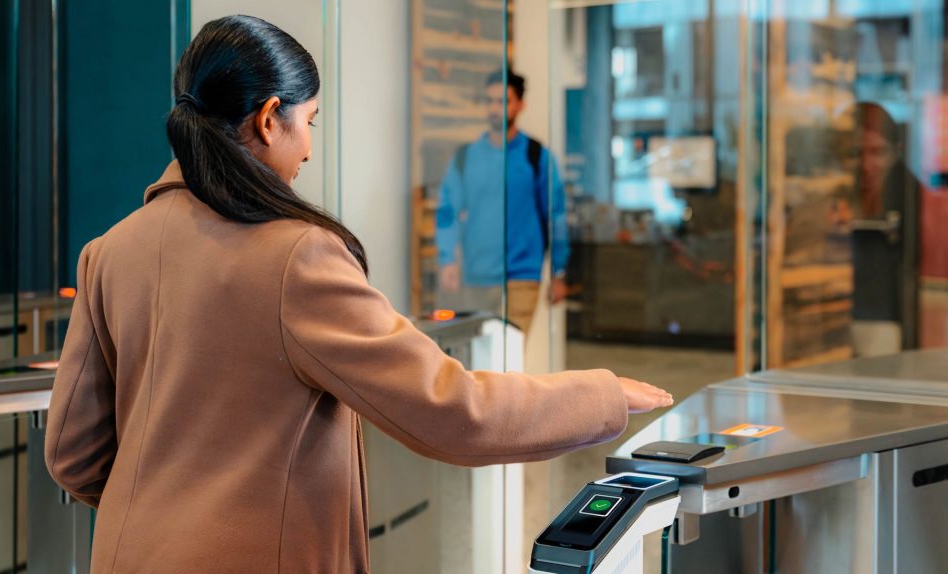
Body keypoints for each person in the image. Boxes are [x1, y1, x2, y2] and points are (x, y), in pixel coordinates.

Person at [44, 16, 672, 574]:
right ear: (269, 119)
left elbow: (73, 454)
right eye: (308, 122)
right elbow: (453, 412)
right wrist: (602, 394)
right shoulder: (294, 256)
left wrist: (166, 506)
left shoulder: (109, 252)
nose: (309, 148)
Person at [435, 68, 569, 333]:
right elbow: (447, 210)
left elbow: (556, 216)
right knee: (480, 361)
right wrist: (448, 258)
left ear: (520, 105)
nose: (495, 109)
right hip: (476, 276)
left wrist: (558, 272)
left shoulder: (537, 157)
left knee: (511, 359)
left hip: (522, 276)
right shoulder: (466, 157)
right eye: (490, 101)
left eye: (503, 101)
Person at [847, 102, 920, 356]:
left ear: (897, 152)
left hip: (884, 320)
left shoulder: (911, 197)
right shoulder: (829, 194)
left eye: (877, 152)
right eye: (856, 153)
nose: (866, 165)